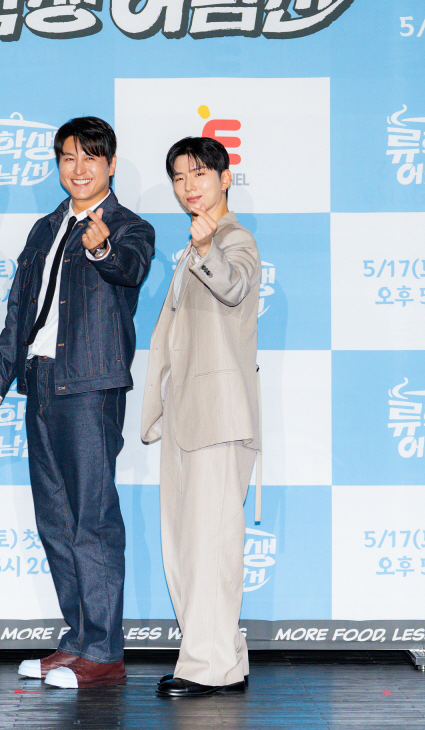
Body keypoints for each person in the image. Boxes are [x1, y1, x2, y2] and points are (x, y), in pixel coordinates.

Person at [0, 117, 155, 689]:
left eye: (90, 157)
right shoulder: (45, 227)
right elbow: (19, 310)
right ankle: (78, 641)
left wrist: (101, 248)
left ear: (110, 164)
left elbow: (129, 268)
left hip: (89, 385)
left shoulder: (130, 228)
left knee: (92, 519)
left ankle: (104, 652)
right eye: (68, 158)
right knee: (56, 520)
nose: (78, 169)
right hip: (40, 382)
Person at [140, 136, 261, 698]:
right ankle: (221, 661)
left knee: (209, 546)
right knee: (190, 547)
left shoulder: (233, 239)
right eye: (179, 177)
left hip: (217, 418)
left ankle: (207, 667)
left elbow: (234, 286)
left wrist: (209, 247)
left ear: (225, 178)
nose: (189, 186)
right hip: (189, 416)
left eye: (200, 174)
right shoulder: (194, 245)